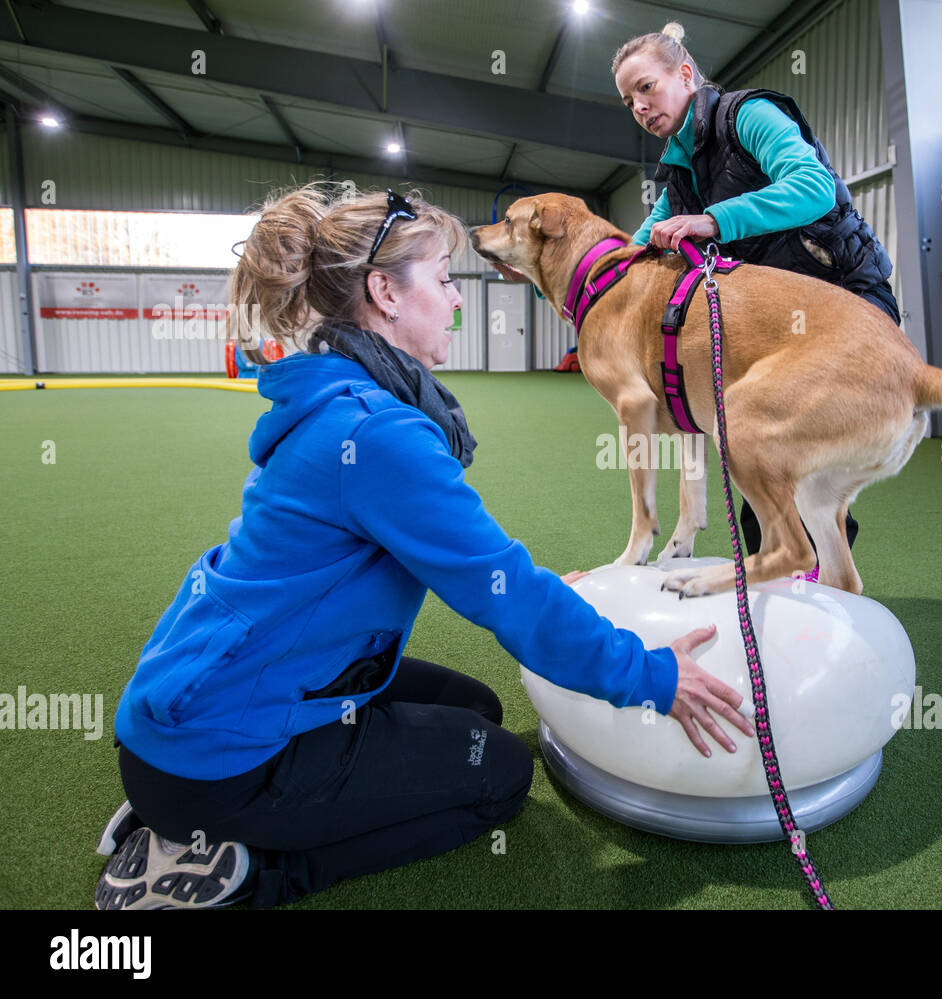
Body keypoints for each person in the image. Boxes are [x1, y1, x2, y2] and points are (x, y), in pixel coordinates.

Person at [94, 183, 753, 910]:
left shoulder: (342, 398)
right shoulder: (373, 433)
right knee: (499, 776)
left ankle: (187, 810)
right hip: (220, 755)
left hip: (202, 703)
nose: (459, 300)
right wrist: (656, 677)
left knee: (477, 710)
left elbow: (496, 576)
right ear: (385, 293)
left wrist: (543, 595)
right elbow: (508, 598)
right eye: (444, 281)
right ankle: (242, 863)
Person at [612, 22, 899, 564]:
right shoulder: (678, 168)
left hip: (846, 300)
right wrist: (584, 289)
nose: (640, 107)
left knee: (784, 476)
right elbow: (638, 248)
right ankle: (798, 591)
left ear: (686, 73)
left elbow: (812, 188)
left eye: (646, 87)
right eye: (629, 101)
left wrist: (714, 220)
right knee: (764, 476)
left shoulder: (747, 116)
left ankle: (806, 600)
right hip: (783, 322)